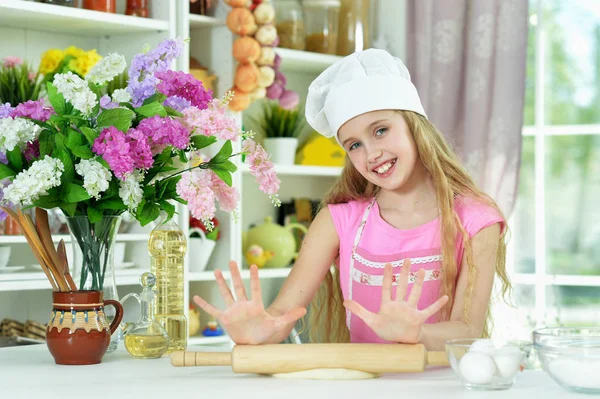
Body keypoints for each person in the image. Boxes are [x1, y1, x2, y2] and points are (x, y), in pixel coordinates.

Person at [193, 49, 510, 350]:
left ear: (415, 126)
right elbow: (282, 314)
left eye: (381, 130)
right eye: (354, 145)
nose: (371, 153)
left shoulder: (477, 219)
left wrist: (418, 333)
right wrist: (260, 329)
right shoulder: (338, 221)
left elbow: (467, 331)